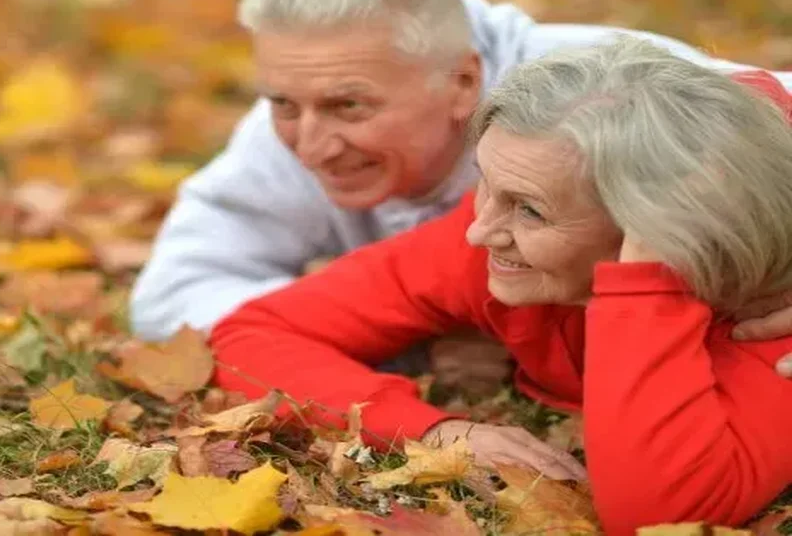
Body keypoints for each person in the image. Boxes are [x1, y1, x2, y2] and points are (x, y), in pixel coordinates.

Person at [209, 38, 792, 534]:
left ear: (661, 227)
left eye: (531, 211)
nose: (479, 233)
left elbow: (659, 514)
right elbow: (254, 334)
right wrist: (435, 430)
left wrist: (645, 286)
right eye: (486, 184)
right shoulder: (497, 229)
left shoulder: (768, 304)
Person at [130, 0, 792, 380]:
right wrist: (405, 345)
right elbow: (173, 299)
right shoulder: (297, 115)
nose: (308, 147)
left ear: (462, 81)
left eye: (349, 106)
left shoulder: (604, 82)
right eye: (280, 103)